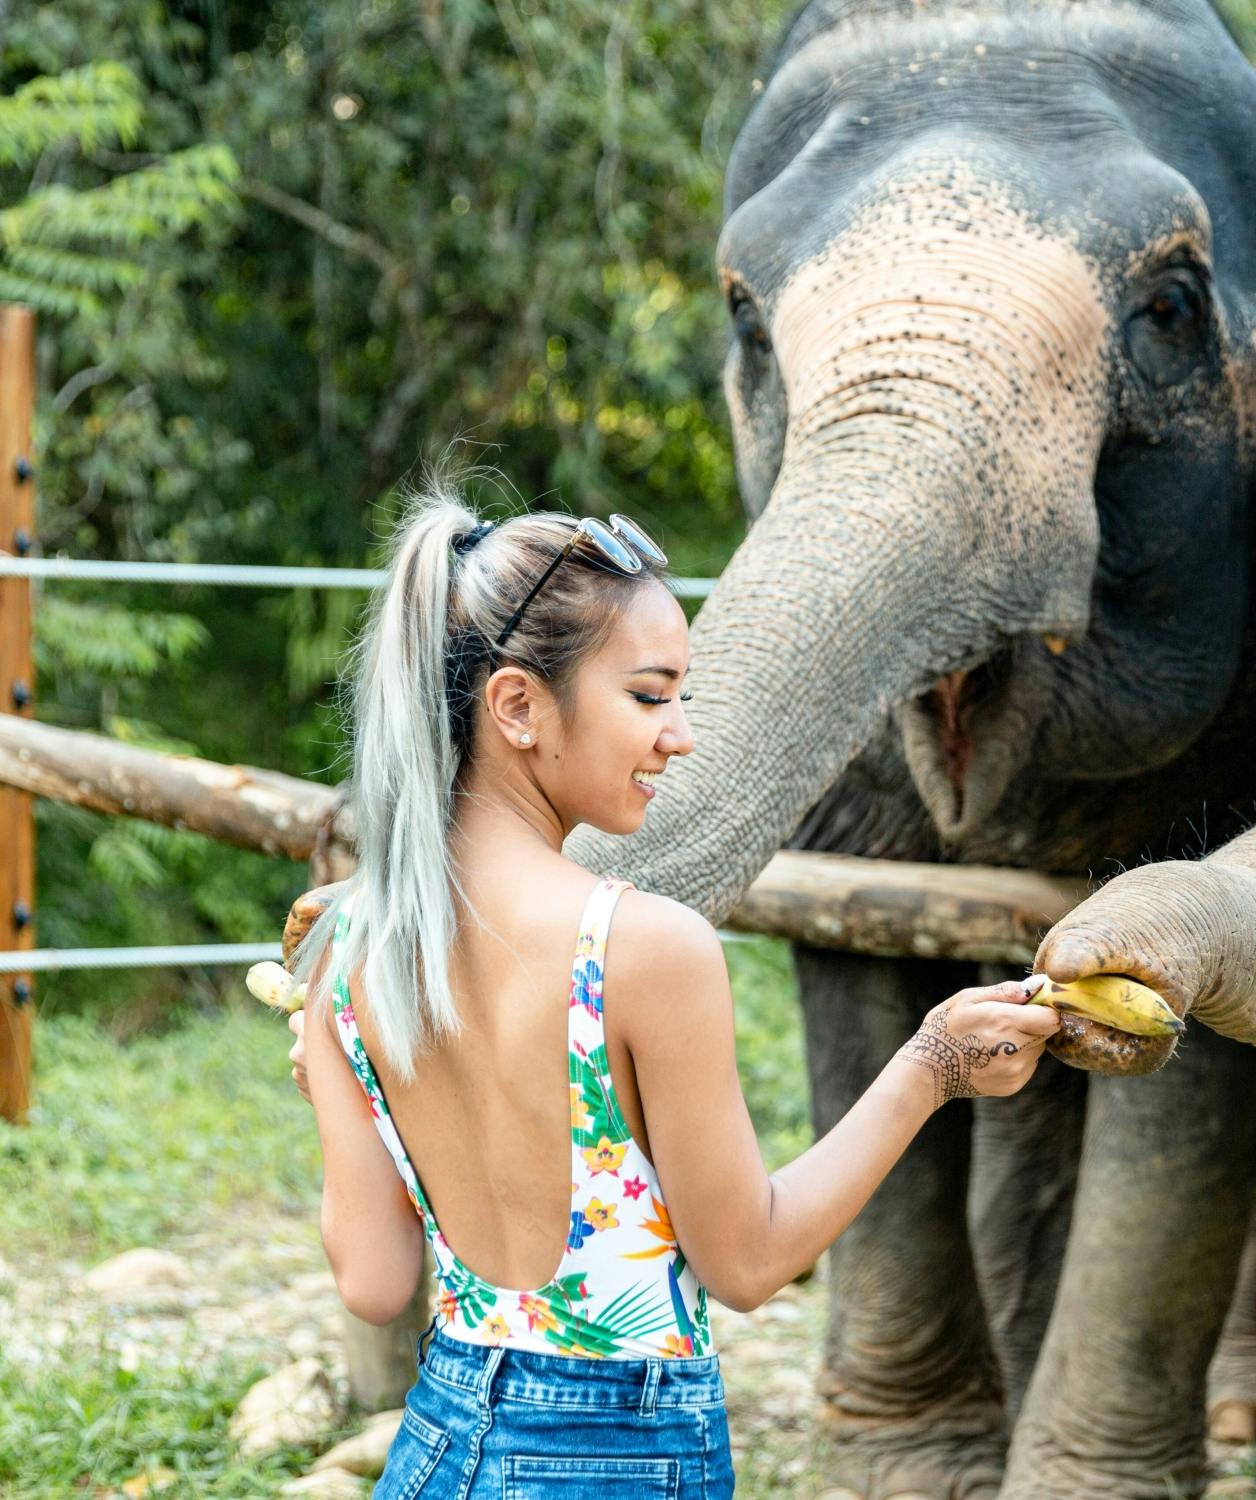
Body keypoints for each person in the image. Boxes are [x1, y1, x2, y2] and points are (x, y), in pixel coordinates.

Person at [283, 487, 1057, 1498]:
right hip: (614, 1460)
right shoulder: (642, 948)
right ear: (515, 706)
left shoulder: (346, 944)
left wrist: (333, 1090)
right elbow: (746, 1263)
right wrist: (930, 1067)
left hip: (437, 1449)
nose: (679, 735)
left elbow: (375, 1285)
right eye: (649, 696)